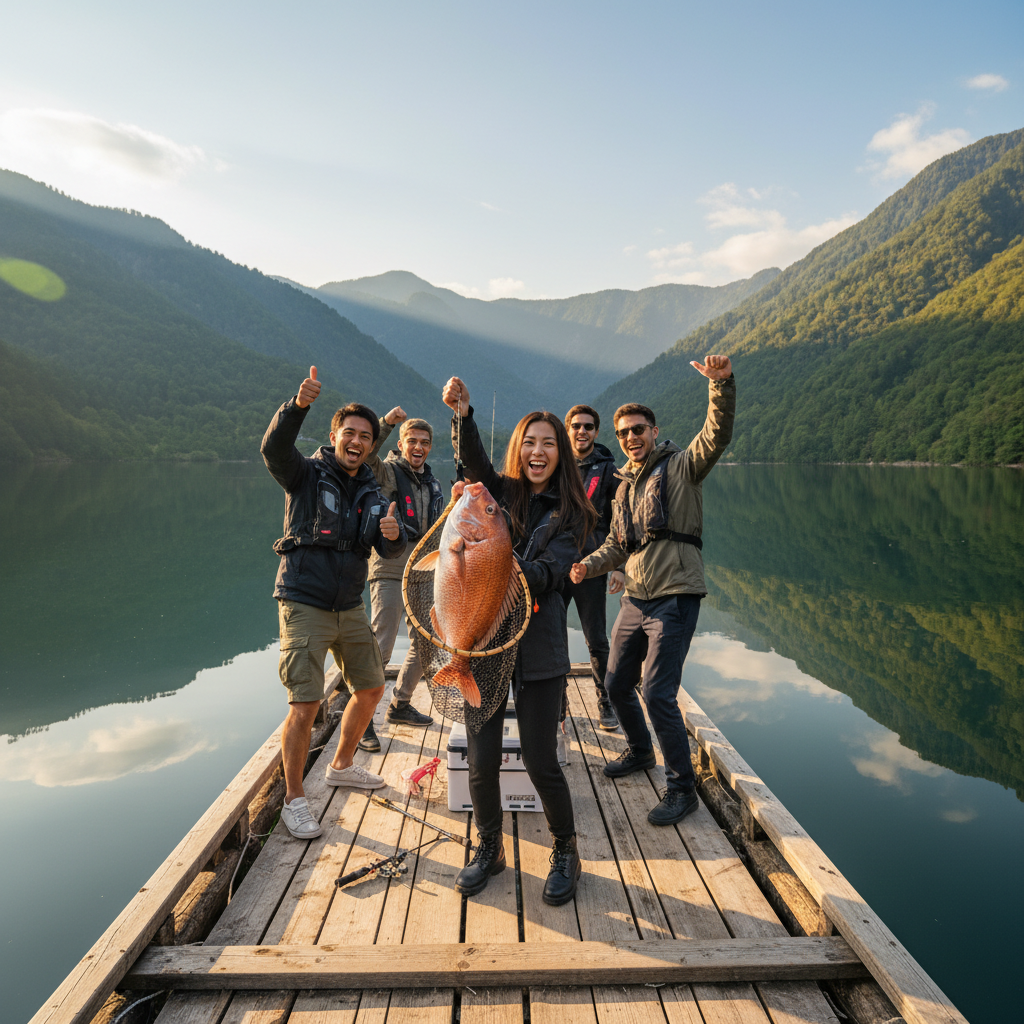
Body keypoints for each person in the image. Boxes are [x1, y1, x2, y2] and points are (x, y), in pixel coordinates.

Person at [441, 376, 597, 906]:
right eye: (530, 442)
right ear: (519, 449)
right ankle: (488, 847)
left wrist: (500, 563)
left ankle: (565, 848)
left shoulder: (576, 513)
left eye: (548, 444)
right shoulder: (499, 494)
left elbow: (554, 574)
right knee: (482, 758)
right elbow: (475, 467)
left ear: (562, 454)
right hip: (484, 645)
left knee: (539, 760)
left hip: (542, 648)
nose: (538, 451)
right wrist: (461, 415)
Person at [569, 355, 735, 826]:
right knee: (618, 682)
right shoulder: (622, 486)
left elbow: (716, 434)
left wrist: (720, 386)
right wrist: (588, 565)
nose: (630, 438)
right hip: (635, 598)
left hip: (675, 597)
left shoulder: (682, 466)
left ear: (653, 429)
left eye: (637, 429)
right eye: (622, 433)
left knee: (659, 692)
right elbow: (617, 545)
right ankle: (641, 751)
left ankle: (682, 789)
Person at [261, 366, 406, 840]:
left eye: (366, 436)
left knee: (369, 689)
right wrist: (297, 405)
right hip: (303, 601)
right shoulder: (304, 474)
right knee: (305, 703)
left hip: (350, 604)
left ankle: (341, 765)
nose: (358, 441)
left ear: (371, 444)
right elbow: (273, 449)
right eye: (350, 433)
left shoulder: (372, 488)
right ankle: (295, 800)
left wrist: (391, 534)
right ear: (334, 435)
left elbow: (386, 548)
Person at [357, 409, 446, 751]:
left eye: (424, 442)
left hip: (425, 570)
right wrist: (386, 423)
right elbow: (366, 454)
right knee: (382, 643)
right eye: (412, 441)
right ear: (401, 444)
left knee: (428, 641)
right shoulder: (387, 472)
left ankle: (400, 704)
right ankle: (363, 718)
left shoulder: (433, 481)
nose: (419, 447)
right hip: (391, 565)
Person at [562, 404, 625, 731]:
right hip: (555, 568)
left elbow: (623, 520)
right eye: (576, 426)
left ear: (596, 432)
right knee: (551, 635)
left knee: (596, 638)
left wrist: (620, 565)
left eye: (588, 426)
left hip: (591, 566)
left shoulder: (610, 470)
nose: (582, 431)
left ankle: (605, 701)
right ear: (568, 429)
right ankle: (557, 700)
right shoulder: (556, 464)